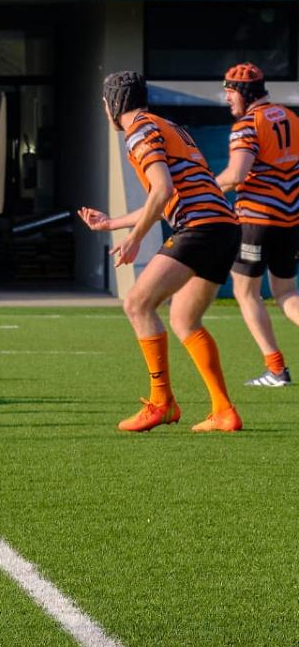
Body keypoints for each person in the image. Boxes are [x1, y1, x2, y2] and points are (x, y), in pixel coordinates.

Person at [77, 71, 242, 433]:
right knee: (184, 319)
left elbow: (162, 190)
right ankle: (223, 410)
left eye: (104, 104)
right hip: (224, 226)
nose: (104, 111)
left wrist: (136, 238)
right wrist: (113, 223)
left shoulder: (139, 130)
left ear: (113, 103)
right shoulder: (168, 126)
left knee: (137, 303)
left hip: (200, 227)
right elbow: (165, 196)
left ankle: (162, 403)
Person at [213, 63, 299, 388]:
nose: (226, 99)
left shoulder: (247, 125)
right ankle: (276, 371)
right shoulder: (290, 117)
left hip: (257, 221)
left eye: (229, 92)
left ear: (244, 93)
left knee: (245, 292)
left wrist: (202, 189)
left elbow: (236, 175)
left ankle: (276, 370)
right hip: (290, 220)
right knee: (287, 293)